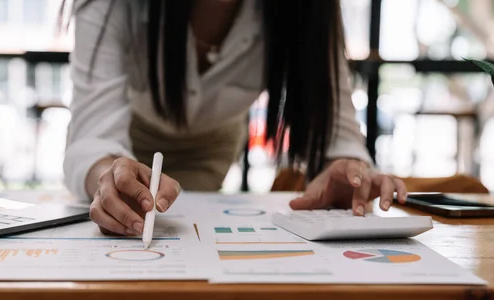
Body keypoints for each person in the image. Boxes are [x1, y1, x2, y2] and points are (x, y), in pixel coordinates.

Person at [62, 0, 408, 236]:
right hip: (128, 140)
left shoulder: (312, 9)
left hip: (214, 146)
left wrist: (349, 172)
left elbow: (340, 136)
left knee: (187, 242)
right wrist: (106, 174)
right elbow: (92, 134)